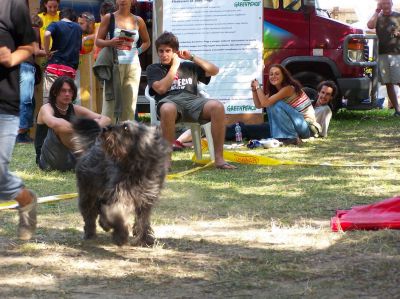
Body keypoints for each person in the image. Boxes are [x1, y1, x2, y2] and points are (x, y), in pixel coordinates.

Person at [146, 31, 236, 169]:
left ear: (175, 51)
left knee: (217, 106)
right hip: (169, 101)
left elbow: (214, 70)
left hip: (192, 100)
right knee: (167, 109)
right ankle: (166, 160)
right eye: (161, 51)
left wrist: (192, 57)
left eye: (168, 51)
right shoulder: (154, 68)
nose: (164, 54)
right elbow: (161, 89)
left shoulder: (188, 67)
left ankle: (219, 159)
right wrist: (175, 67)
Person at [0, 0, 38, 240]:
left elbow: (29, 46)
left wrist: (11, 59)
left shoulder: (13, 6)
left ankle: (26, 200)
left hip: (3, 101)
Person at [35, 76, 111, 171]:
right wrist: (83, 130)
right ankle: (90, 159)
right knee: (61, 127)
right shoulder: (46, 108)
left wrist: (93, 127)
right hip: (47, 160)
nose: (67, 94)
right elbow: (54, 123)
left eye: (70, 91)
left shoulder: (75, 108)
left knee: (97, 124)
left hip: (70, 156)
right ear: (55, 92)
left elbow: (106, 119)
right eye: (63, 91)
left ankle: (93, 160)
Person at [95, 0, 150, 123]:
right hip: (115, 64)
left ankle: (126, 139)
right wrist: (110, 42)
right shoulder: (109, 17)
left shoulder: (138, 20)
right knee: (110, 106)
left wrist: (138, 51)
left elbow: (147, 42)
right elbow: (98, 41)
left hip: (133, 66)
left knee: (129, 106)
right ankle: (107, 139)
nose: (123, 0)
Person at [251, 64, 321, 145]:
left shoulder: (289, 88)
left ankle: (291, 137)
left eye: (277, 74)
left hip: (307, 128)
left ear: (284, 76)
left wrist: (258, 87)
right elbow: (259, 105)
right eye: (271, 74)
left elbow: (265, 103)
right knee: (271, 103)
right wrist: (254, 91)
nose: (274, 76)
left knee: (276, 103)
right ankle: (281, 137)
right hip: (299, 127)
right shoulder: (276, 93)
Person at [16, 14, 47, 143]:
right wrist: (48, 52)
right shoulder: (34, 29)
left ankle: (22, 131)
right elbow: (36, 51)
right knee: (27, 100)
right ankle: (21, 133)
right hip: (26, 66)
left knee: (26, 100)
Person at [367, 0, 400, 117]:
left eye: (387, 3)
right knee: (388, 83)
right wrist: (376, 11)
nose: (385, 5)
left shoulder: (398, 16)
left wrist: (398, 33)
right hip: (382, 54)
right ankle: (397, 110)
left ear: (391, 4)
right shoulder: (378, 17)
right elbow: (370, 25)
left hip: (397, 54)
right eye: (383, 3)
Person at [42, 7, 82, 104]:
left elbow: (47, 34)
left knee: (50, 98)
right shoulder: (78, 28)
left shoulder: (55, 24)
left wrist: (47, 51)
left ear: (61, 17)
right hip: (69, 69)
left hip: (54, 67)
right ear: (73, 18)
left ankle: (50, 118)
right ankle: (64, 118)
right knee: (66, 99)